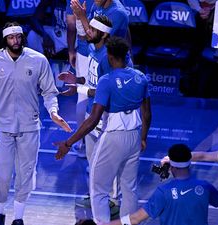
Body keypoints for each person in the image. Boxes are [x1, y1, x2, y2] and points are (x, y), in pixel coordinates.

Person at [0, 22, 72, 225]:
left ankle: (18, 218)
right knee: (2, 174)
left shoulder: (38, 60)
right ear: (5, 39)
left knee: (26, 175)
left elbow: (50, 92)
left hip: (29, 128)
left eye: (18, 36)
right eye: (11, 37)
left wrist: (53, 112)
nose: (15, 41)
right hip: (2, 127)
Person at [54, 36, 151, 223]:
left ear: (110, 57)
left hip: (113, 136)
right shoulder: (141, 77)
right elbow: (147, 114)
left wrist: (68, 143)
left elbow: (93, 119)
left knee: (98, 188)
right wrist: (143, 138)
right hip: (135, 136)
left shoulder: (107, 80)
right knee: (129, 187)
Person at [101, 144, 218, 225]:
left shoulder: (163, 192)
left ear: (171, 167)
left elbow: (135, 219)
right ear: (189, 163)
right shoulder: (205, 187)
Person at [66, 0, 94, 157]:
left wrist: (71, 50)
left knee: (82, 95)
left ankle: (80, 142)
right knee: (98, 95)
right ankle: (91, 141)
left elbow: (71, 26)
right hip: (102, 51)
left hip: (84, 52)